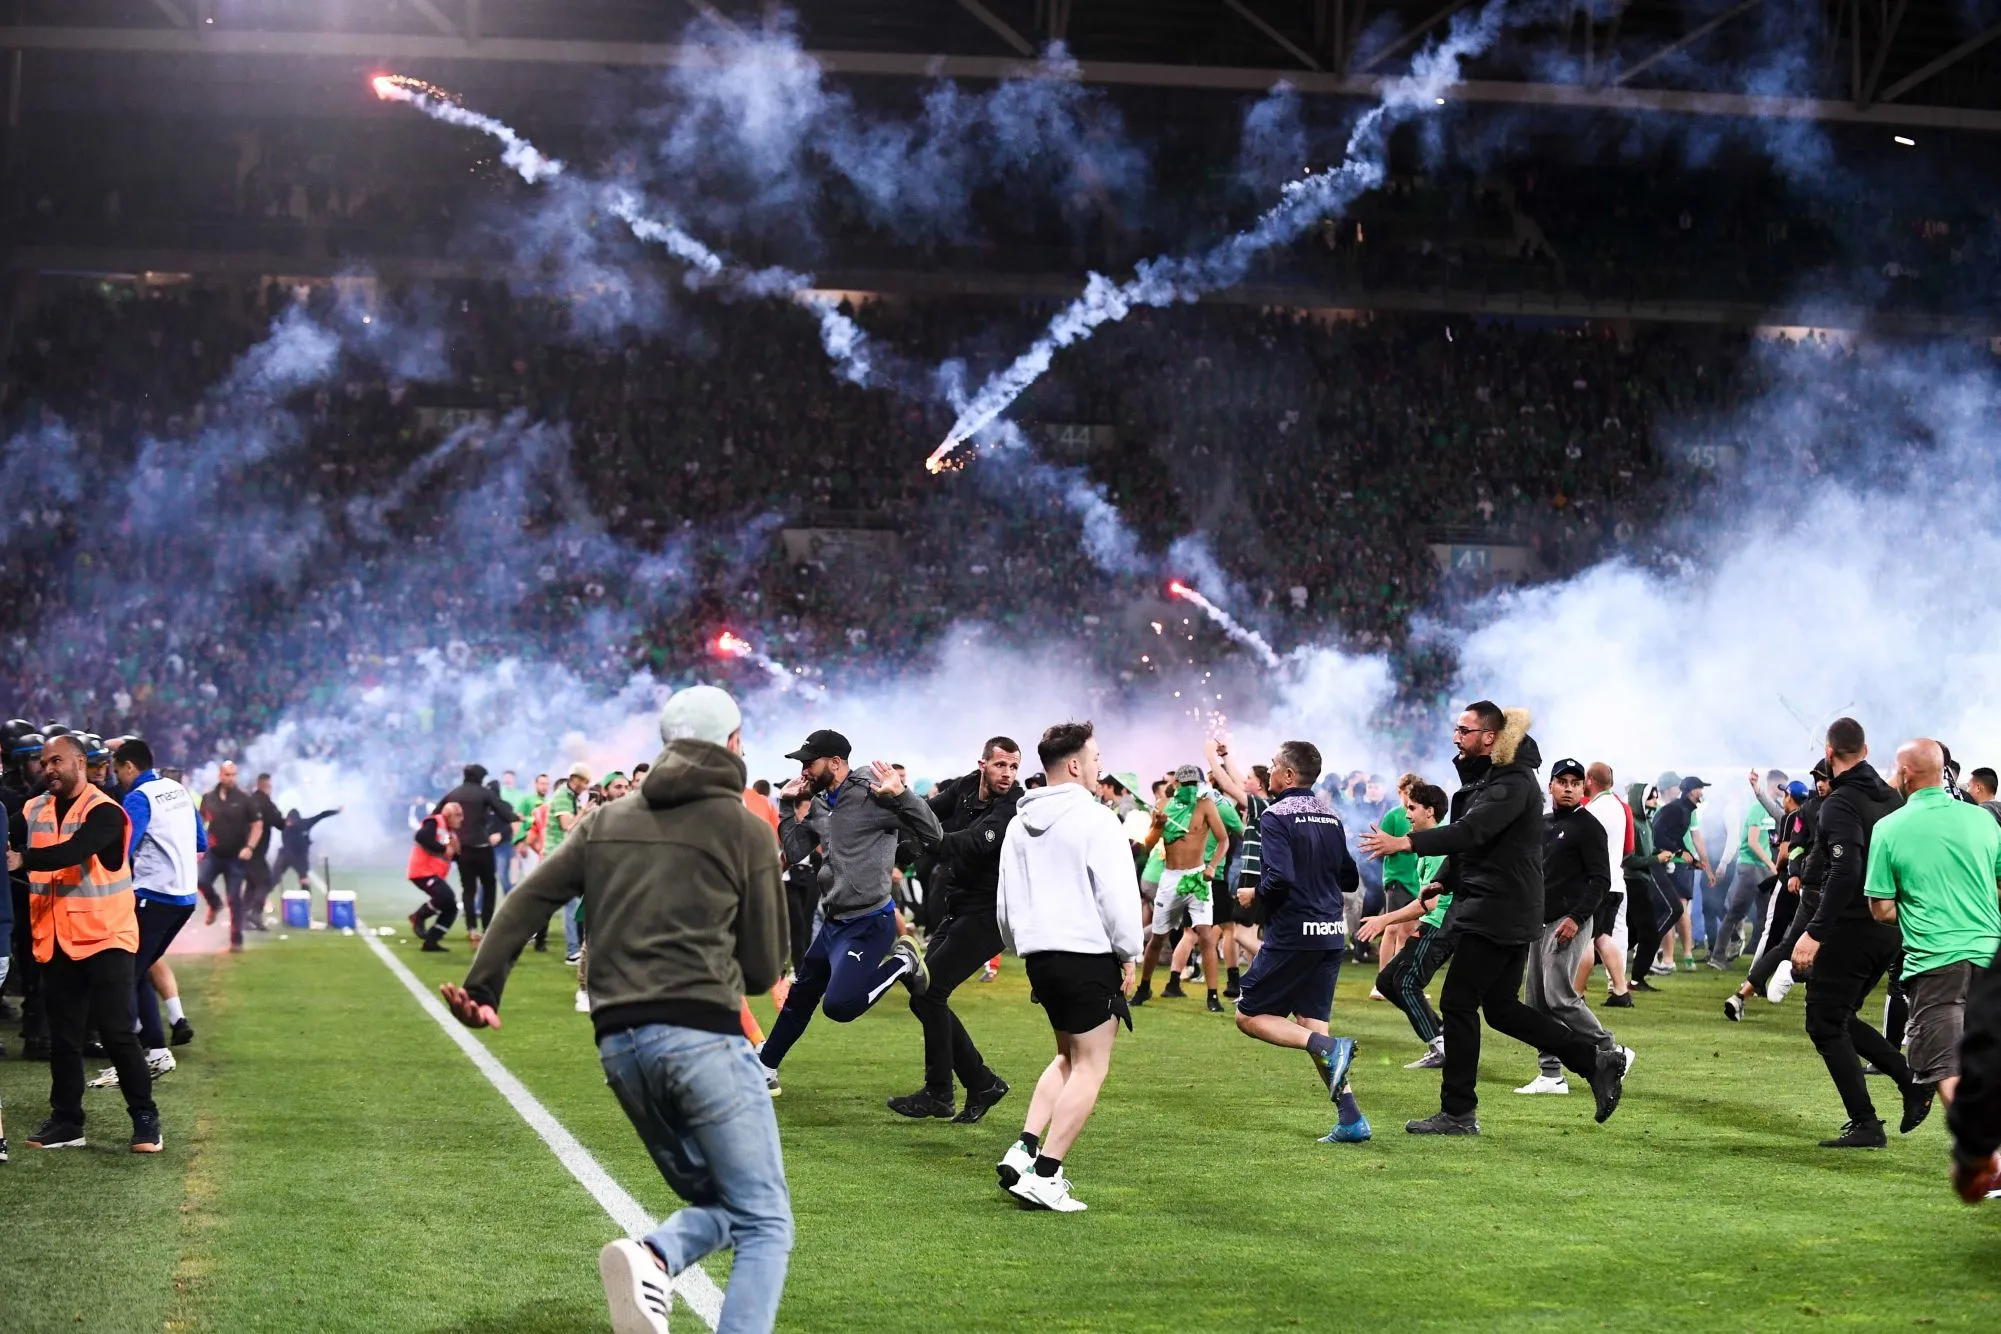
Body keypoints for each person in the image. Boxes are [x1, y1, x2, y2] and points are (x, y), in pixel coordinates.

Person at [442, 685, 791, 1334]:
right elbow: (763, 969)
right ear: (735, 744)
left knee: (730, 1202)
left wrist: (484, 988)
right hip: (703, 1038)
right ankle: (651, 1257)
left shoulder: (607, 819)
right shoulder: (744, 825)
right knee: (766, 1221)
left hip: (621, 1049)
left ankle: (655, 1257)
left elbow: (526, 898)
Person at [1360, 702, 1625, 1135]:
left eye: (1463, 730)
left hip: (1496, 910)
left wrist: (1406, 843)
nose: (1455, 737)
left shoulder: (1513, 781)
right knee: (1500, 1009)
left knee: (1458, 1002)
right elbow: (1480, 842)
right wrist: (1445, 880)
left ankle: (1459, 1113)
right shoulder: (1498, 779)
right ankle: (1594, 1060)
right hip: (1503, 906)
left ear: (1489, 737)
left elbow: (1472, 832)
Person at [993, 721, 1142, 1212]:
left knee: (1068, 1057)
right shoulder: (1098, 820)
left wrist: (1022, 946)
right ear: (1075, 764)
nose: (1100, 767)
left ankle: (1024, 1148)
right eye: (1096, 758)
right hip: (1084, 953)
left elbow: (1005, 900)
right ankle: (1046, 1174)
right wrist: (1129, 953)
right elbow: (1117, 896)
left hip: (1040, 956)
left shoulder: (1019, 821)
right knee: (1092, 1065)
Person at [756, 729, 940, 1081]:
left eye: (810, 762)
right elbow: (795, 852)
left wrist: (902, 796)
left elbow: (933, 833)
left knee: (840, 1006)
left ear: (836, 762)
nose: (805, 769)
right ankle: (765, 1067)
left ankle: (903, 961)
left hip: (870, 921)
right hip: (833, 923)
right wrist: (786, 806)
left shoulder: (874, 793)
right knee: (800, 999)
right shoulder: (823, 802)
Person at [8, 735, 161, 1153]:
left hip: (106, 937)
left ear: (80, 761)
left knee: (116, 1033)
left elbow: (75, 851)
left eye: (57, 760)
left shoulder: (105, 811)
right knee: (64, 1037)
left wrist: (23, 859)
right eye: (44, 763)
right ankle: (67, 1122)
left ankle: (145, 1119)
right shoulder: (33, 808)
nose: (49, 768)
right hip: (56, 940)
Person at [1791, 718, 1932, 1149]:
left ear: (1830, 754)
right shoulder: (1892, 798)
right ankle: (1906, 1086)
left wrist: (1814, 932)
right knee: (1839, 1016)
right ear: (1866, 750)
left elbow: (1845, 870)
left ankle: (1874, 1117)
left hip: (1854, 925)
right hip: (1891, 927)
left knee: (1823, 1021)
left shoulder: (1840, 803)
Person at [1233, 739, 1371, 1143]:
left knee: (1248, 1015)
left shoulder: (1275, 817)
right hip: (1331, 932)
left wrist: (1253, 894)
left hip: (1295, 931)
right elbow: (1349, 878)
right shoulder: (1331, 815)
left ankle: (1330, 1047)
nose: (1270, 770)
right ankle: (1351, 1120)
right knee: (1311, 1025)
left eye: (1274, 764)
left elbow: (1279, 879)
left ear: (1288, 775)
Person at [887, 736, 1021, 1124]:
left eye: (1013, 767)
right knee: (922, 993)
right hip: (960, 905)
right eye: (1001, 765)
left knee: (929, 991)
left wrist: (925, 839)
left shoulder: (1012, 805)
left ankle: (945, 1091)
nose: (1008, 774)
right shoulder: (964, 786)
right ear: (983, 764)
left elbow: (971, 844)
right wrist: (900, 833)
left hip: (989, 914)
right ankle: (972, 1086)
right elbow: (927, 812)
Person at [1865, 738, 2001, 1117]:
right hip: (1991, 952)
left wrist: (1924, 910)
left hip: (1936, 960)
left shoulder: (1888, 828)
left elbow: (1880, 908)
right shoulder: (1982, 820)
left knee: (1946, 1064)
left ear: (1906, 774)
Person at [1514, 759, 1629, 1097]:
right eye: (1561, 781)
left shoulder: (1588, 826)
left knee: (1559, 997)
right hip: (1539, 920)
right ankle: (1550, 1074)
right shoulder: (1543, 824)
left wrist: (1577, 919)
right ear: (1550, 786)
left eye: (1575, 783)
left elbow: (1601, 880)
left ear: (1584, 788)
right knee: (1535, 1002)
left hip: (1569, 920)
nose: (1568, 787)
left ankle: (1611, 1051)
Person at [95, 739, 206, 1088]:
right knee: (139, 969)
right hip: (184, 899)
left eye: (117, 770)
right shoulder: (177, 789)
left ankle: (132, 1059)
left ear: (129, 767)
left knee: (124, 974)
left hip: (153, 896)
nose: (117, 777)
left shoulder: (138, 799)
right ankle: (155, 1050)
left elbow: (124, 848)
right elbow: (201, 842)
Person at [1358, 784, 1452, 1067]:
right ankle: (1442, 1034)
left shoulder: (1437, 847)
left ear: (1430, 812)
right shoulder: (1429, 845)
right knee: (1386, 981)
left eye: (1412, 808)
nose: (1407, 813)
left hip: (1439, 925)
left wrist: (1384, 919)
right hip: (1433, 923)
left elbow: (1433, 903)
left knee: (1406, 983)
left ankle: (1440, 1047)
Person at [1132, 764, 1230, 1012]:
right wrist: (1157, 825)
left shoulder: (1205, 805)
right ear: (1175, 784)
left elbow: (1223, 839)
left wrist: (1212, 866)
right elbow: (1148, 844)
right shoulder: (1164, 807)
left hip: (1197, 878)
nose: (1188, 788)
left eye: (1192, 784)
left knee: (1206, 934)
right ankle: (1144, 987)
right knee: (1157, 938)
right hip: (1170, 878)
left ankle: (1213, 996)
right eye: (1184, 784)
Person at [1728, 778, 1815, 1020]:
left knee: (1772, 935)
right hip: (1809, 885)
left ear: (1789, 796)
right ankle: (1772, 983)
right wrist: (1758, 792)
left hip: (1788, 880)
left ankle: (1753, 982)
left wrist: (1777, 869)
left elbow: (1785, 852)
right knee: (1804, 936)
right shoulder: (1815, 814)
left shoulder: (1792, 818)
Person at [436, 764, 519, 944]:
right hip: (482, 846)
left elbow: (437, 814)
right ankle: (487, 927)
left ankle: (471, 928)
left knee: (468, 889)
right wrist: (517, 817)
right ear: (480, 777)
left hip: (461, 848)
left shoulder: (454, 793)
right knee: (489, 886)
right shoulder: (484, 793)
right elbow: (505, 813)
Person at [1711, 770, 1784, 968]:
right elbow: (1752, 842)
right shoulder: (1757, 809)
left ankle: (1763, 961)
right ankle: (1717, 957)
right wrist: (1771, 864)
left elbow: (1771, 841)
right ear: (1774, 784)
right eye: (1782, 786)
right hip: (1751, 868)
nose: (1784, 791)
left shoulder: (1774, 809)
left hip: (1765, 869)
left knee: (1765, 917)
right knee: (1735, 912)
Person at [197, 760, 264, 952]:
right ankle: (214, 903)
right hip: (214, 853)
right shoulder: (208, 798)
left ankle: (236, 940)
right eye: (227, 774)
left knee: (234, 897)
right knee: (200, 879)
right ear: (220, 775)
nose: (231, 778)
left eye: (234, 774)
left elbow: (257, 825)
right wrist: (198, 845)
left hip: (236, 855)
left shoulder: (245, 799)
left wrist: (250, 847)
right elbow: (200, 822)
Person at [1581, 763, 1633, 1006]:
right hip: (1615, 882)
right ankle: (1621, 990)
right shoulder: (1618, 806)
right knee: (1604, 937)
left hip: (1597, 883)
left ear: (1589, 780)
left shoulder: (1595, 808)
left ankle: (1575, 994)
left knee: (1585, 940)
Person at [542, 764, 594, 962]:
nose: (585, 786)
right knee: (571, 903)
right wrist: (584, 812)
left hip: (559, 855)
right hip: (556, 855)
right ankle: (573, 952)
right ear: (575, 779)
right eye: (584, 782)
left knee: (549, 903)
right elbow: (567, 826)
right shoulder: (564, 796)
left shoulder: (570, 797)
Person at [407, 802, 464, 953]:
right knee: (446, 896)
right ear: (448, 815)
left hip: (433, 873)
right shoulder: (434, 822)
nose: (461, 819)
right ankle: (419, 916)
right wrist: (444, 849)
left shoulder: (451, 834)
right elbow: (421, 837)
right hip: (422, 871)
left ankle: (431, 941)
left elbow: (453, 856)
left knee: (451, 907)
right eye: (458, 815)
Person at [242, 772, 285, 929]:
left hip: (242, 849)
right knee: (265, 881)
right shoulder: (266, 803)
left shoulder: (248, 801)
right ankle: (255, 913)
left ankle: (241, 918)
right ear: (266, 786)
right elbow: (280, 823)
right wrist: (289, 823)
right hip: (256, 851)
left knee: (252, 884)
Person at [274, 806, 340, 894]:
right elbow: (287, 846)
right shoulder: (285, 829)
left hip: (301, 855)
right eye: (288, 820)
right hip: (287, 853)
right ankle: (262, 898)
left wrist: (336, 811)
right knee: (274, 877)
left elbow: (321, 815)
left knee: (304, 879)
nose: (289, 822)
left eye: (291, 820)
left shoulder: (305, 823)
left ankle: (306, 900)